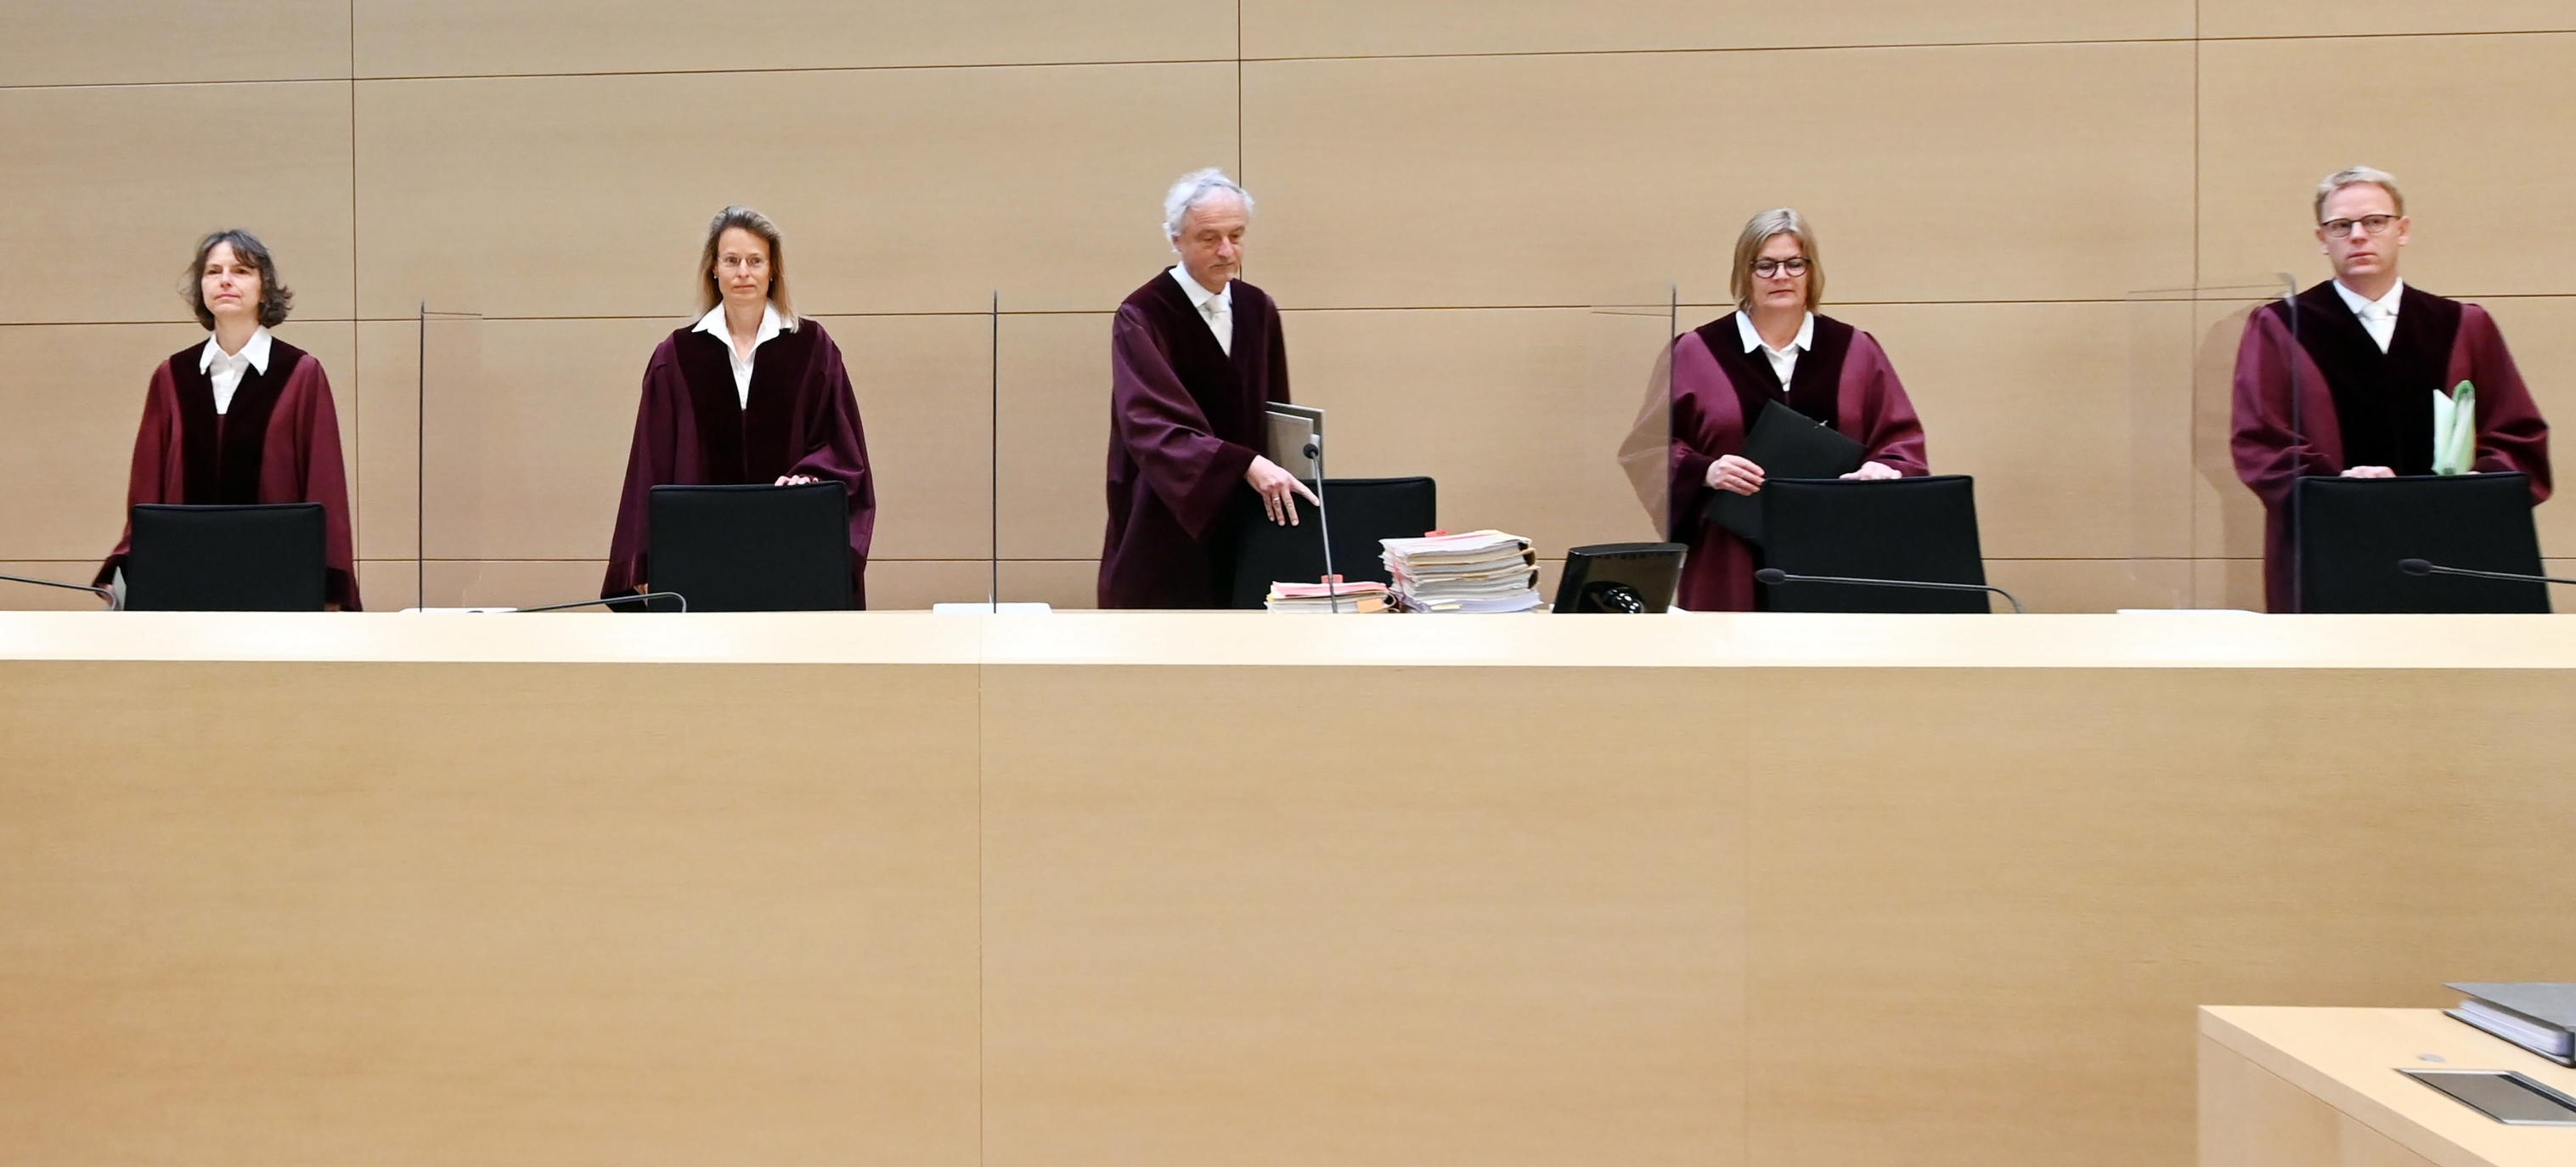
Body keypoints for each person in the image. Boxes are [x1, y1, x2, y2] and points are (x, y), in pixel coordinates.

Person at [2231, 166, 2550, 612]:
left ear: (2403, 230)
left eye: (2374, 222)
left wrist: (2477, 484)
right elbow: (2261, 438)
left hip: (2452, 545)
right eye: (2341, 225)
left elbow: (2516, 432)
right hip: (2333, 545)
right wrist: (2337, 484)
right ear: (2323, 239)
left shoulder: (2462, 325)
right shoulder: (2281, 327)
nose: (2358, 235)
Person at [1650, 208, 1927, 611]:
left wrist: (1882, 470)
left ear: (1810, 272)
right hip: (1727, 556)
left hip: (1837, 550)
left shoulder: (1855, 350)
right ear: (1744, 274)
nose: (1782, 275)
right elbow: (1649, 449)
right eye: (1766, 265)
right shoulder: (1696, 352)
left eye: (1794, 263)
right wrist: (1704, 471)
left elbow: (1900, 442)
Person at [603, 206, 877, 606]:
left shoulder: (813, 348)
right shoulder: (677, 356)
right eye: (731, 261)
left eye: (755, 261)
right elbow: (650, 461)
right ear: (714, 269)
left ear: (772, 270)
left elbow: (844, 448)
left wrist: (811, 475)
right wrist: (642, 560)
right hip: (700, 551)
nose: (743, 272)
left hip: (793, 548)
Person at [99, 229, 359, 609]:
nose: (225, 280)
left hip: (277, 577)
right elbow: (146, 487)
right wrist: (126, 567)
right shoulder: (173, 376)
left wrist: (331, 584)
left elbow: (324, 483)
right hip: (182, 577)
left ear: (264, 287)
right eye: (213, 271)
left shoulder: (300, 373)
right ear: (201, 287)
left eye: (240, 270)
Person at [1098, 168, 1316, 608]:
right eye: (1209, 237)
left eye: (1237, 235)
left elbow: (1275, 409)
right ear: (1176, 239)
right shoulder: (1142, 314)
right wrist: (1243, 463)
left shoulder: (1258, 308)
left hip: (1250, 517)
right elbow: (1149, 424)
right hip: (1164, 517)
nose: (1227, 251)